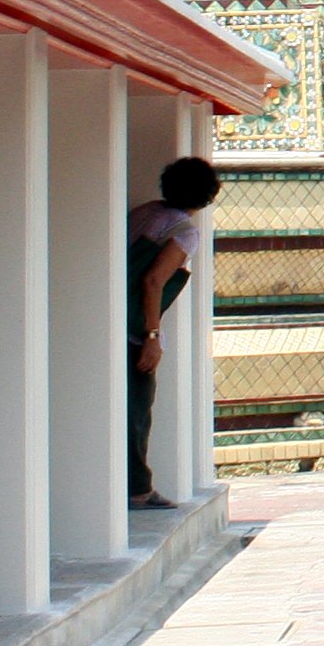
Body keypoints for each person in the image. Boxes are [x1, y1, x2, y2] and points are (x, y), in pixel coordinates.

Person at [129, 156, 222, 510]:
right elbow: (153, 281)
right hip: (135, 329)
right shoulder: (184, 231)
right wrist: (152, 337)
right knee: (137, 411)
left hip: (111, 321)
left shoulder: (145, 212)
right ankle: (138, 488)